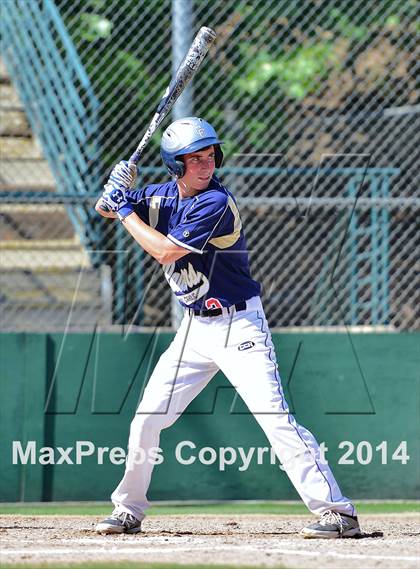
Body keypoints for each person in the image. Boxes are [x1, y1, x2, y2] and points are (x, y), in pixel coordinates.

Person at [94, 117, 361, 539]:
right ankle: (128, 510)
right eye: (193, 159)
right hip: (194, 329)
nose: (205, 165)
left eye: (209, 155)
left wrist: (124, 206)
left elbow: (164, 251)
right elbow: (106, 210)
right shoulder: (161, 196)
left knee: (274, 416)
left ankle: (338, 512)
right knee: (147, 418)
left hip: (239, 326)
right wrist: (114, 189)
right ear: (174, 165)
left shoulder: (214, 203)